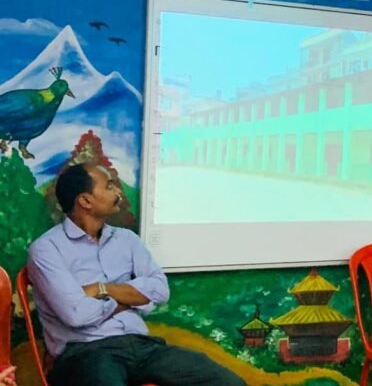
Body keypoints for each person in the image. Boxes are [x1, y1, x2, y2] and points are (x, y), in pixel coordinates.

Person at [27, 163, 244, 386]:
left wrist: (104, 289)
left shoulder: (127, 239)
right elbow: (77, 315)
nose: (118, 191)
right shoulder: (47, 249)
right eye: (109, 186)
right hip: (86, 353)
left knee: (229, 383)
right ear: (85, 201)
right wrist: (130, 300)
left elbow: (160, 289)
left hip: (142, 346)